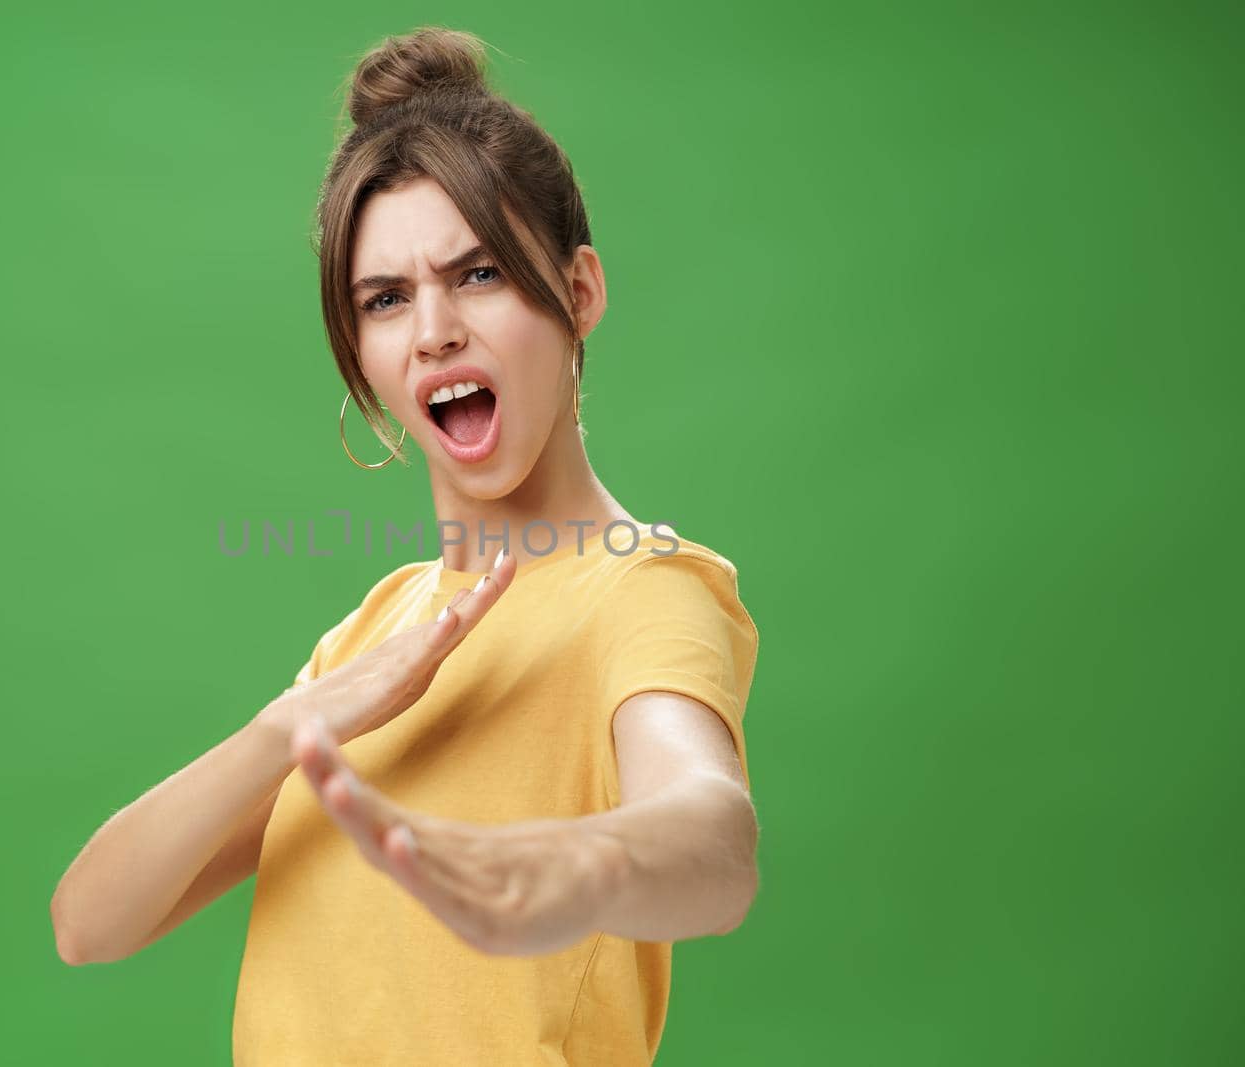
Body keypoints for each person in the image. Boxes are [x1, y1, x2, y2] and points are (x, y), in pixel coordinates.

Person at [51, 26, 761, 1066]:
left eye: (476, 274)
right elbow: (90, 922)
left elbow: (713, 837)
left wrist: (575, 866)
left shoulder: (643, 588)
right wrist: (286, 724)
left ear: (578, 293)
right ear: (364, 363)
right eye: (384, 299)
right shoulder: (372, 637)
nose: (432, 331)